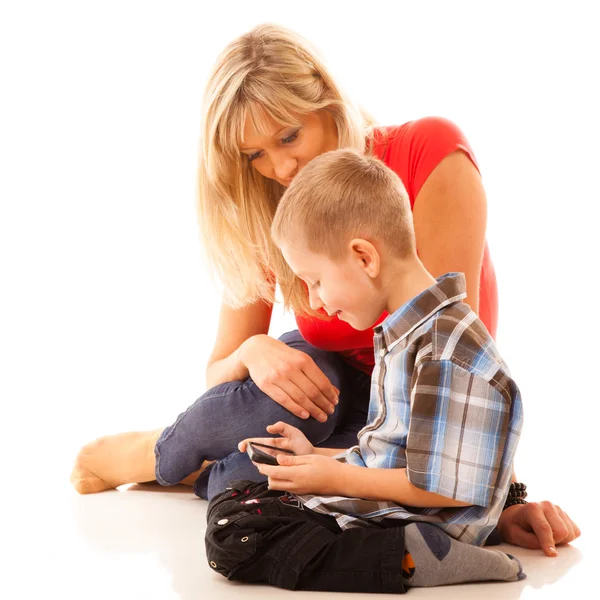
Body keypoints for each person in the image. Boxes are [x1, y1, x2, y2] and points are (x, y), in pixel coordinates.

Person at [70, 23, 579, 556]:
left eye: (289, 136)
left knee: (268, 485)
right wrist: (254, 349)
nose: (281, 168)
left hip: (409, 407)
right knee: (278, 413)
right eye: (255, 155)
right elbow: (218, 371)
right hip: (331, 393)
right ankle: (160, 452)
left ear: (328, 103)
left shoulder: (428, 152)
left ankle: (199, 467)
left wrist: (507, 499)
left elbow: (457, 363)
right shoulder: (272, 202)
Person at [205, 148, 525, 593]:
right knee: (235, 499)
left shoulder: (446, 350)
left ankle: (416, 559)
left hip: (424, 522)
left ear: (364, 257)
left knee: (236, 538)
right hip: (392, 507)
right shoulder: (405, 335)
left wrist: (334, 477)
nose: (315, 301)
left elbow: (448, 491)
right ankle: (392, 553)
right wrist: (312, 457)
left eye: (315, 280)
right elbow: (386, 456)